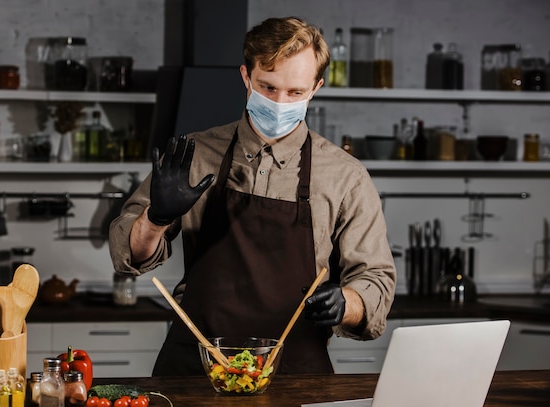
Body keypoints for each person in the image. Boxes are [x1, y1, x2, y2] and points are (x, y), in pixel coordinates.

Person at [109, 16, 396, 376]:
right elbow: (125, 255)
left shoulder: (346, 177)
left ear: (316, 87)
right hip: (195, 368)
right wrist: (155, 219)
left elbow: (376, 280)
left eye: (295, 93)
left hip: (296, 373)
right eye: (267, 87)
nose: (279, 102)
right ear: (246, 77)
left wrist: (347, 303)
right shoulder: (193, 155)